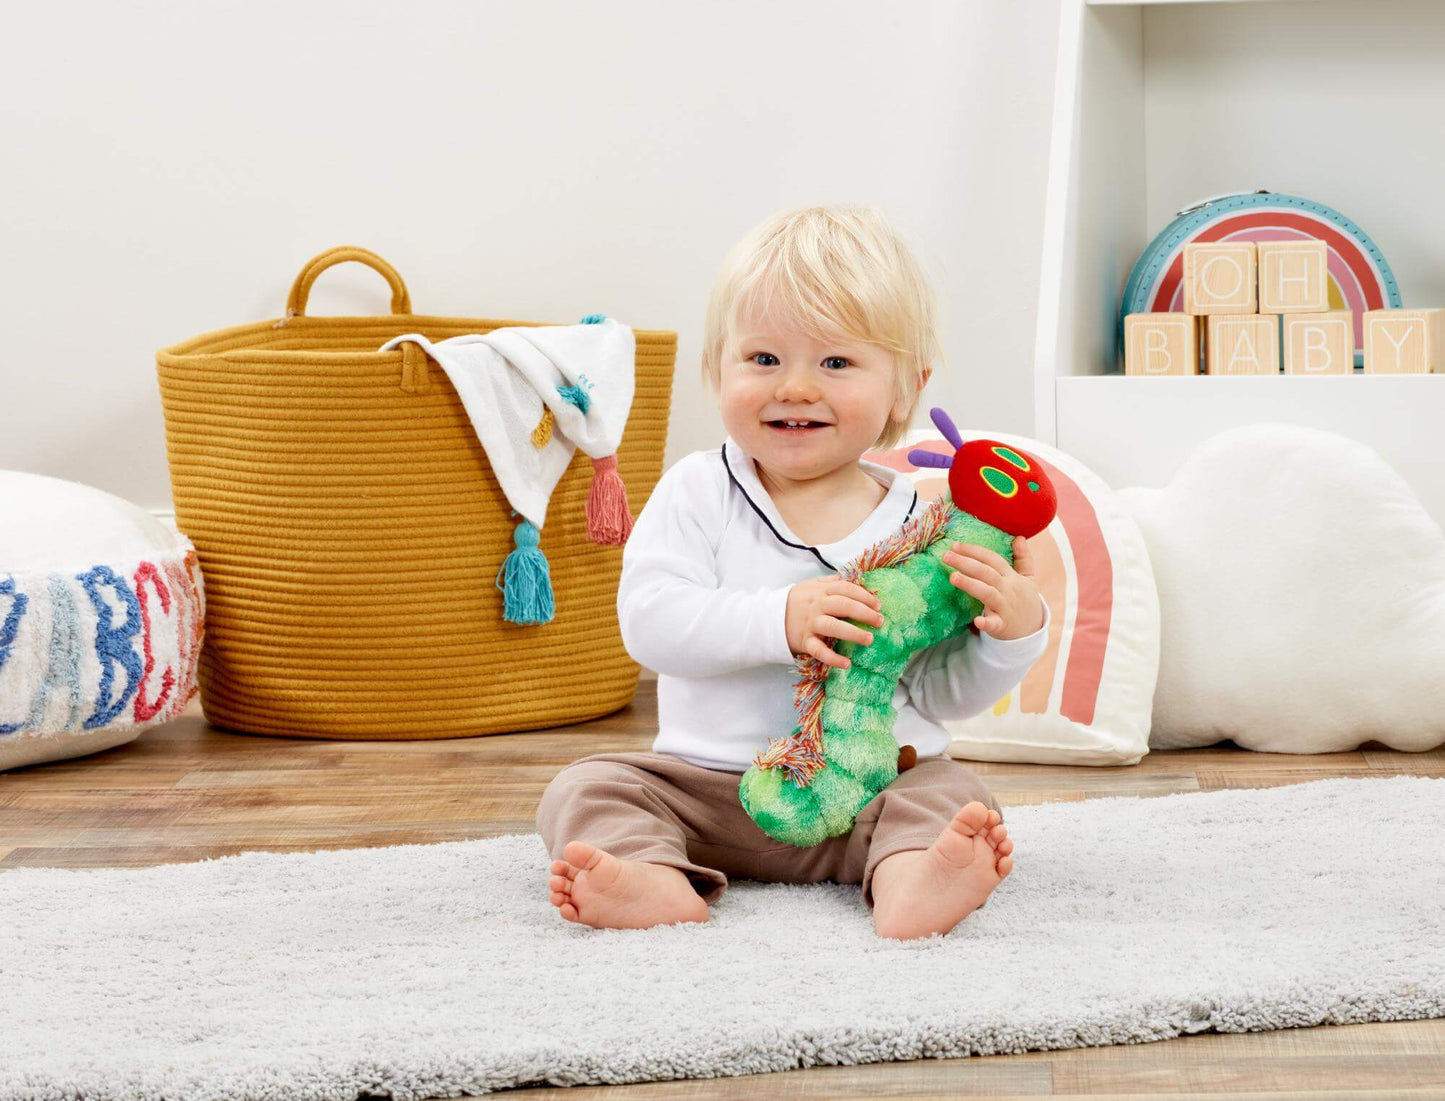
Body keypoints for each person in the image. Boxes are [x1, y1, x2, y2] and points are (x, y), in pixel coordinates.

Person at [536, 204, 1050, 940]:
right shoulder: (697, 488)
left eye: (836, 362)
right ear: (717, 369)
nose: (796, 387)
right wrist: (780, 618)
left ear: (905, 388)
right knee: (587, 787)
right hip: (707, 793)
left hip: (870, 792)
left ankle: (911, 879)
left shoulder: (921, 526)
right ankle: (649, 878)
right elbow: (649, 621)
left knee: (949, 789)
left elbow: (936, 692)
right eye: (763, 359)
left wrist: (1009, 635)